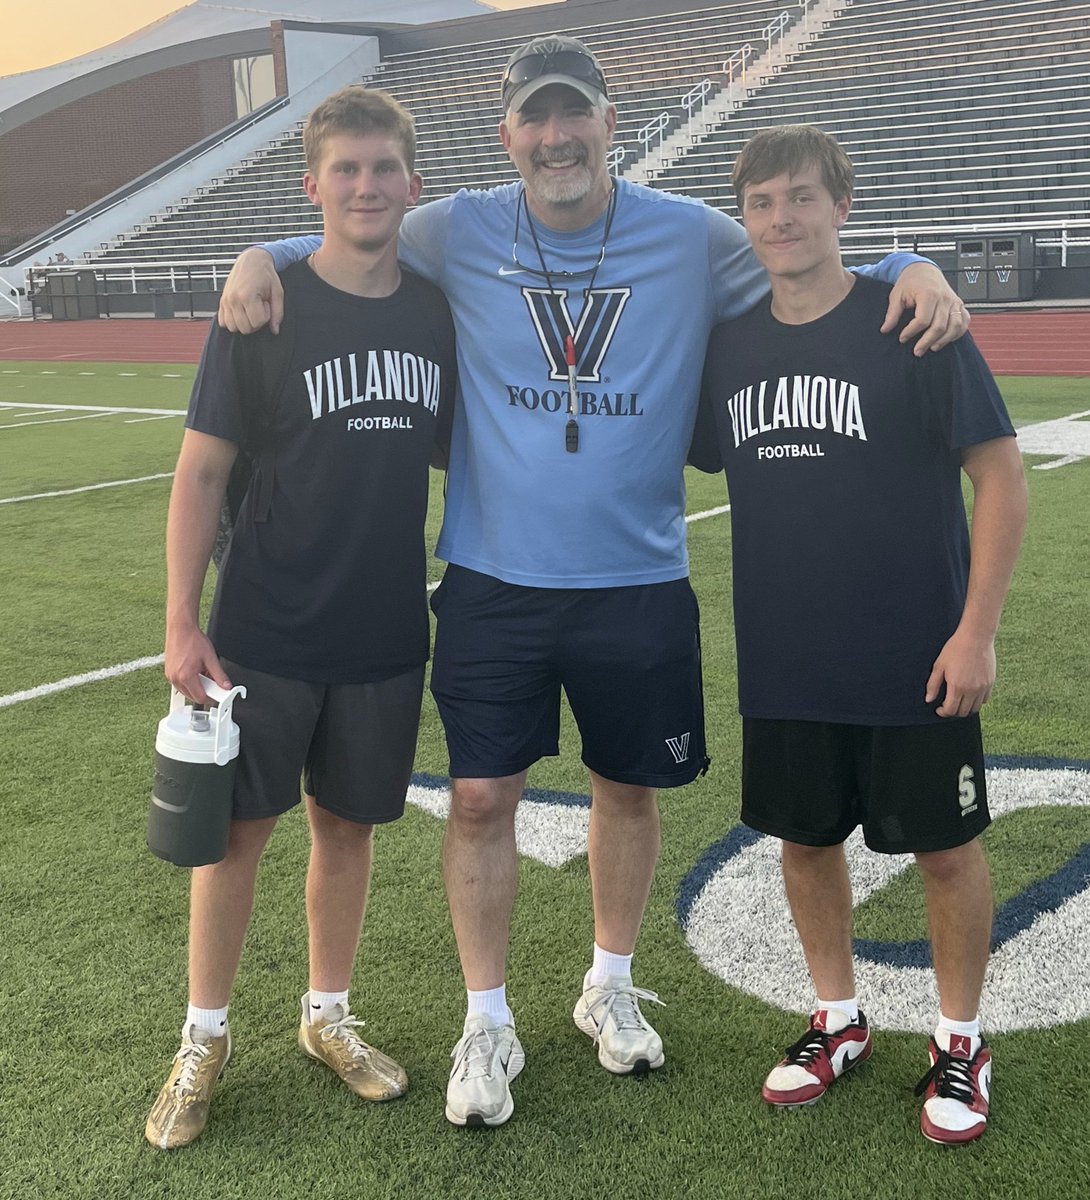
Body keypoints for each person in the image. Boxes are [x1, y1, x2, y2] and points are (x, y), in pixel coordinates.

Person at [216, 36, 970, 1129]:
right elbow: (351, 229)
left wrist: (915, 266)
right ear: (508, 134)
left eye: (575, 116)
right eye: (535, 118)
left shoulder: (688, 234)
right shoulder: (457, 225)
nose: (555, 136)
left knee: (628, 790)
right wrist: (259, 252)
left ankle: (608, 985)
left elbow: (813, 251)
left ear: (612, 122)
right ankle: (488, 1013)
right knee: (480, 798)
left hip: (636, 577)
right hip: (492, 577)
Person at [693, 125, 1027, 1144]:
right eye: (761, 203)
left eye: (800, 198)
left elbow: (1000, 476)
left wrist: (976, 632)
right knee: (802, 840)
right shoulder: (729, 343)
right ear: (742, 218)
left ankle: (960, 1038)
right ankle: (837, 1019)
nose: (781, 220)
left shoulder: (912, 323)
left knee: (943, 849)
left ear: (842, 207)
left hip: (914, 650)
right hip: (786, 653)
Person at [145, 86, 456, 1150]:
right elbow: (198, 476)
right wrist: (184, 623)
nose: (365, 187)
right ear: (312, 184)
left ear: (412, 186)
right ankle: (204, 1036)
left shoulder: (431, 309)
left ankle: (326, 1014)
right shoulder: (264, 304)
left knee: (347, 828)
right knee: (236, 836)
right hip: (265, 627)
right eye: (346, 170)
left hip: (381, 627)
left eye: (383, 170)